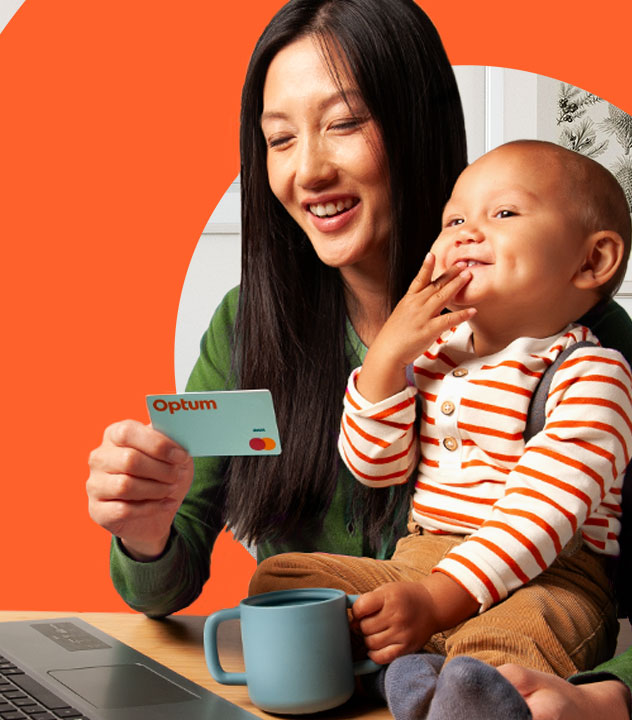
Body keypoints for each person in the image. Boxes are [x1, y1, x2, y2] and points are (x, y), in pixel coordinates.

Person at [82, 0, 632, 716]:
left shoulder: (577, 337)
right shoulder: (249, 328)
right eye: (279, 140)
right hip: (327, 692)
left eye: (343, 124)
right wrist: (146, 532)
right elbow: (163, 587)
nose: (307, 170)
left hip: (510, 660)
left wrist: (605, 697)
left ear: (417, 125)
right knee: (276, 582)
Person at [249, 139, 630, 718]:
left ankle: (438, 677)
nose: (465, 233)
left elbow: (538, 519)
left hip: (547, 575)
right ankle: (420, 666)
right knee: (284, 580)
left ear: (591, 261)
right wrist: (385, 360)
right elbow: (376, 467)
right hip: (419, 560)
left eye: (502, 214)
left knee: (506, 649)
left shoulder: (591, 372)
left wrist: (435, 601)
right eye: (454, 219)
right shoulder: (436, 358)